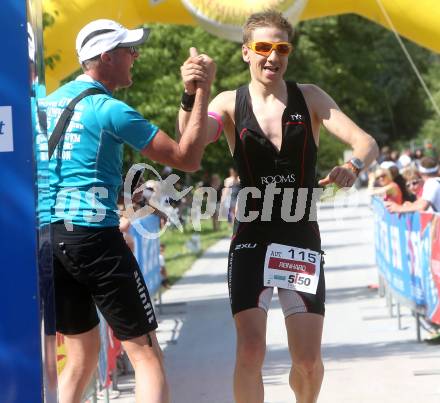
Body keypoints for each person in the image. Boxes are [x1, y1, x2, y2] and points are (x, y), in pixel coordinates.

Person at [179, 10, 378, 403]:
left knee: (307, 362)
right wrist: (192, 93)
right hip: (252, 237)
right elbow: (191, 142)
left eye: (281, 48)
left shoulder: (311, 97)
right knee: (251, 349)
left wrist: (353, 165)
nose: (273, 56)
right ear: (246, 53)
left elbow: (366, 143)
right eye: (264, 47)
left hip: (299, 239)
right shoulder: (229, 103)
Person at [41, 19, 215, 403]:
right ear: (105, 57)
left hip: (46, 240)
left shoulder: (41, 104)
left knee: (81, 354)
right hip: (92, 236)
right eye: (128, 50)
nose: (135, 56)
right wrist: (201, 91)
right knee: (146, 355)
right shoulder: (109, 109)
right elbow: (187, 158)